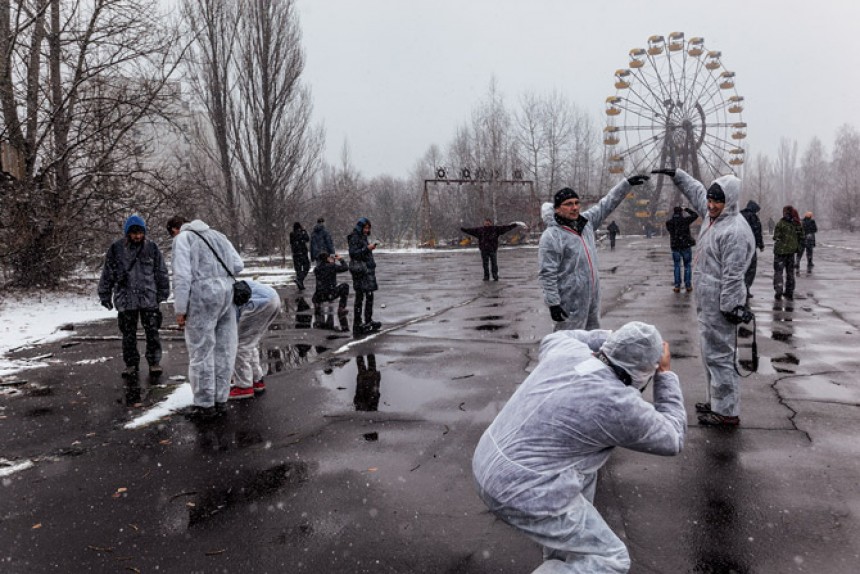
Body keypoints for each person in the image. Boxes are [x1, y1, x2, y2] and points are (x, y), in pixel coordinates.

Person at [472, 323, 685, 573]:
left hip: (487, 461)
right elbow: (673, 438)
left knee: (584, 478)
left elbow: (558, 335)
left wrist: (611, 337)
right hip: (524, 489)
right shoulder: (619, 403)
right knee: (609, 559)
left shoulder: (567, 351)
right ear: (642, 373)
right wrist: (665, 374)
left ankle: (562, 563)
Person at [652, 168, 754, 427]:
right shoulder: (714, 218)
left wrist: (731, 306)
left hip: (722, 305)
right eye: (710, 200)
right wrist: (677, 174)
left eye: (716, 201)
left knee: (721, 356)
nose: (710, 204)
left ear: (729, 200)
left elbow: (734, 275)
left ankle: (727, 412)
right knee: (710, 353)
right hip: (708, 303)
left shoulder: (734, 231)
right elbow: (696, 190)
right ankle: (716, 402)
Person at [538, 175, 649, 330]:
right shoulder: (551, 236)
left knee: (591, 340)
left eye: (577, 203)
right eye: (568, 204)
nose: (574, 207)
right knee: (569, 343)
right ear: (557, 208)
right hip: (569, 301)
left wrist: (626, 185)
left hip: (592, 298)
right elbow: (547, 273)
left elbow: (607, 204)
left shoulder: (586, 223)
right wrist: (553, 303)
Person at [167, 216, 244, 419]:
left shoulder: (183, 239)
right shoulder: (218, 235)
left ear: (176, 229)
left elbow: (182, 277)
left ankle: (204, 404)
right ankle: (221, 400)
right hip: (227, 294)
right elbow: (238, 265)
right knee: (224, 350)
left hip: (202, 296)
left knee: (201, 351)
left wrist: (180, 310)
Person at [98, 214, 170, 378]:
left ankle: (154, 362)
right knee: (128, 334)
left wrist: (163, 292)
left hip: (148, 298)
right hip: (126, 299)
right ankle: (131, 364)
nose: (137, 236)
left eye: (140, 232)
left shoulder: (152, 248)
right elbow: (107, 273)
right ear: (127, 233)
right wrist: (105, 294)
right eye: (134, 233)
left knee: (152, 332)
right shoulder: (116, 249)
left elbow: (161, 272)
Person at [230, 280, 281, 400]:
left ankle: (243, 386)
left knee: (240, 345)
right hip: (271, 297)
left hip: (258, 302)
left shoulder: (213, 292)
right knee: (249, 343)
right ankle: (256, 379)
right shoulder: (222, 282)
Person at [348, 217, 381, 335]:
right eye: (365, 228)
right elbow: (353, 253)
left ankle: (368, 320)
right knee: (360, 296)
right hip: (360, 271)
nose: (367, 230)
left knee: (369, 296)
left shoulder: (362, 237)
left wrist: (368, 249)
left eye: (368, 228)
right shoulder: (355, 237)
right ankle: (358, 322)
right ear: (361, 227)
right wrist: (367, 249)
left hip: (366, 270)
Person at [772, 205, 805, 299]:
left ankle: (779, 290)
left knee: (778, 272)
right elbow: (802, 236)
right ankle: (789, 291)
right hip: (791, 252)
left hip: (780, 252)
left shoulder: (780, 223)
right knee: (790, 273)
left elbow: (776, 237)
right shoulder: (797, 224)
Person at [665, 206, 699, 293]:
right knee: (687, 265)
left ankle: (677, 286)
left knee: (677, 266)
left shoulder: (669, 223)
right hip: (685, 245)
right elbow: (695, 215)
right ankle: (688, 285)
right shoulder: (685, 221)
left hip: (675, 246)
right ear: (681, 212)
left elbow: (671, 231)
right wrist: (687, 209)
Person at [312, 251, 350, 319]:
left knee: (320, 289)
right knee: (345, 286)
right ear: (327, 259)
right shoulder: (332, 266)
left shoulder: (316, 269)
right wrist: (341, 259)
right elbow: (345, 268)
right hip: (330, 294)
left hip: (319, 296)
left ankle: (317, 305)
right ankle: (341, 308)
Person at [739, 200, 765, 297]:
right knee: (751, 268)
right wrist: (761, 245)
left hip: (738, 245)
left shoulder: (739, 215)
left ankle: (738, 288)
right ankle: (746, 288)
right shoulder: (754, 217)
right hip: (750, 246)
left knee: (739, 268)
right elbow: (757, 232)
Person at [289, 222, 310, 290]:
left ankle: (300, 284)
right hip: (303, 253)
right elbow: (307, 239)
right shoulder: (302, 232)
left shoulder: (291, 234)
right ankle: (300, 280)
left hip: (295, 254)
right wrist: (304, 231)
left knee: (298, 270)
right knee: (306, 267)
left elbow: (291, 242)